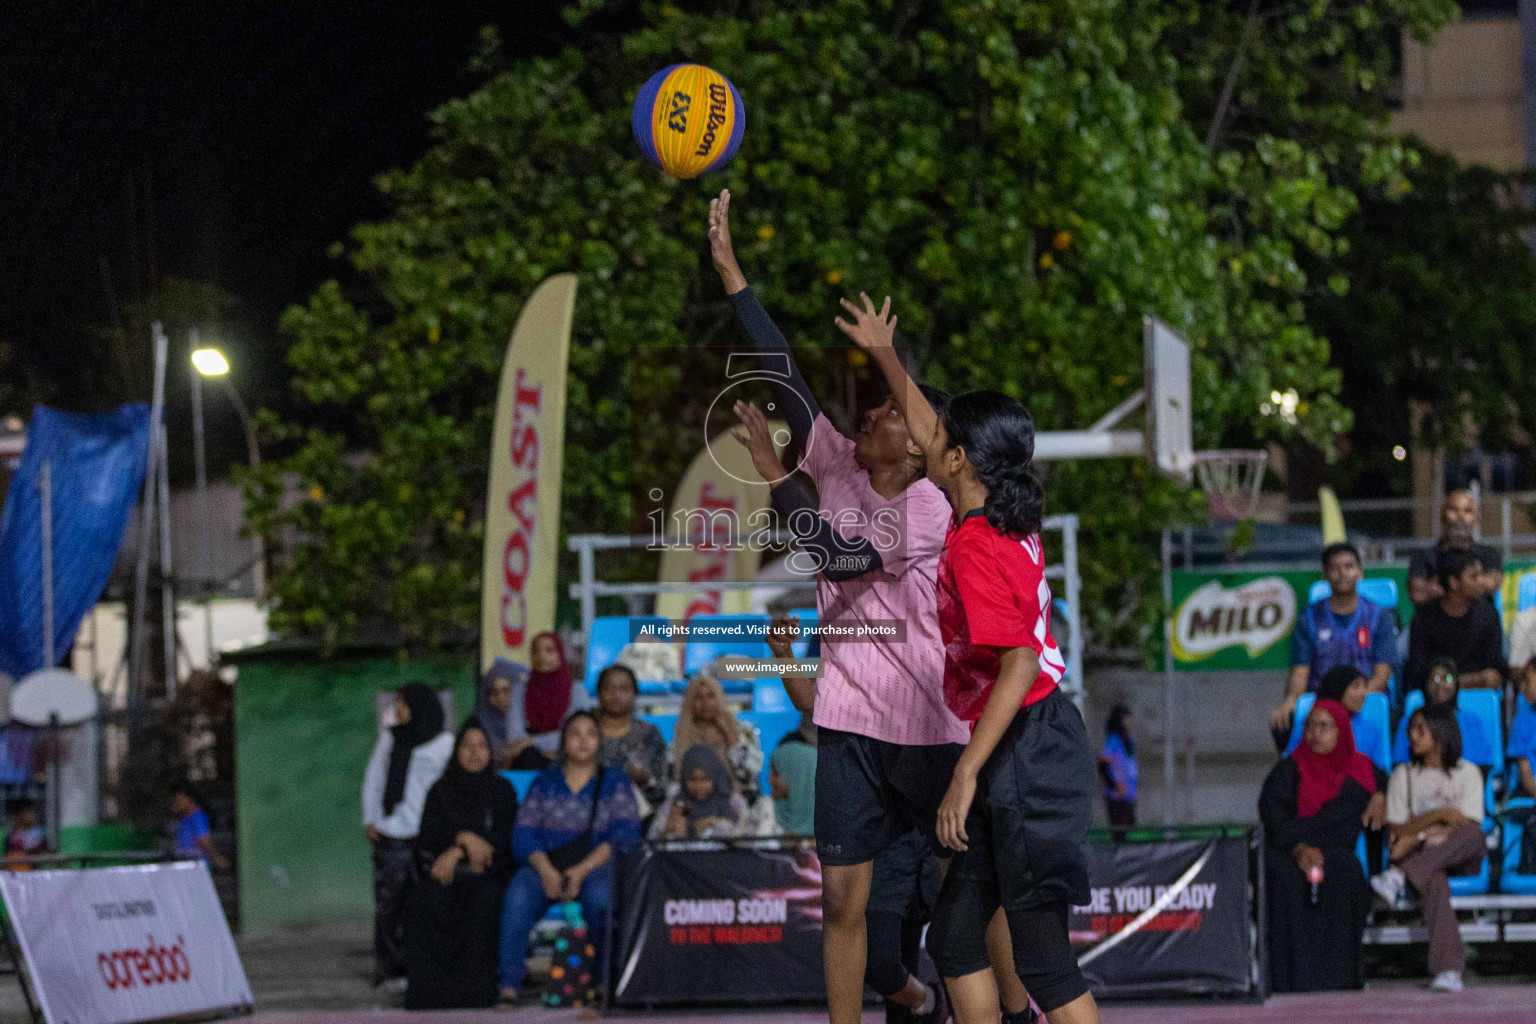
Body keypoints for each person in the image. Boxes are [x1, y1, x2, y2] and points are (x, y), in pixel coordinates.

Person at [712, 191, 981, 1024]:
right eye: (871, 410)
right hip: (851, 724)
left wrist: (775, 474)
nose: (869, 416)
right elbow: (782, 367)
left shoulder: (932, 508)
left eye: (889, 413)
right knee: (843, 907)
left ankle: (1009, 1009)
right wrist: (731, 275)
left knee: (975, 896)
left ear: (919, 439)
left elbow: (836, 555)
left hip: (931, 724)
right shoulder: (836, 461)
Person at [842, 294, 1097, 1024]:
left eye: (937, 436)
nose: (920, 439)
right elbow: (931, 428)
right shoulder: (988, 513)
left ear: (957, 459)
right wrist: (885, 354)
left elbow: (1017, 662)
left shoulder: (979, 544)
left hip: (1027, 748)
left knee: (1045, 961)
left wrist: (964, 772)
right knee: (956, 940)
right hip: (1023, 741)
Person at [498, 711, 641, 1003]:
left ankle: (603, 981)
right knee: (517, 897)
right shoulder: (545, 782)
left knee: (601, 901)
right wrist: (547, 870)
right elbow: (524, 833)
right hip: (545, 865)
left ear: (599, 742)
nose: (583, 740)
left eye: (591, 733)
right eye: (575, 733)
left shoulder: (615, 781)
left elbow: (624, 835)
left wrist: (579, 872)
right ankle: (509, 985)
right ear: (564, 741)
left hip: (596, 866)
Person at [1258, 700, 1381, 992]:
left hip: (1336, 851)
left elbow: (1386, 783)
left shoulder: (1360, 768)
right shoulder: (1288, 770)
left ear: (1341, 732)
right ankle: (1290, 979)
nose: (1314, 733)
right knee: (1281, 876)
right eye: (1310, 725)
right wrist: (1300, 848)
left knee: (1346, 872)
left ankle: (1340, 978)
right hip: (1291, 849)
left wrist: (1382, 796)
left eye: (1324, 726)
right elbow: (1272, 815)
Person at [1371, 704, 1486, 993]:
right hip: (1423, 855)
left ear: (1441, 732)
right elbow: (1397, 830)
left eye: (1420, 729)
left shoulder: (1468, 773)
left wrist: (1420, 832)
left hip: (1457, 855)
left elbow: (1468, 823)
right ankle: (1448, 970)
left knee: (1473, 835)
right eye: (1411, 729)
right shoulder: (1404, 774)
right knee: (1434, 880)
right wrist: (1435, 822)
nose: (1412, 735)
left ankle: (1399, 877)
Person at [403, 721, 517, 1009]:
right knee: (421, 900)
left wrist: (460, 848)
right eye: (467, 745)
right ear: (456, 751)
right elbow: (428, 839)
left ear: (491, 752)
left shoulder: (502, 790)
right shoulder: (440, 791)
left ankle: (474, 993)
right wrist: (462, 842)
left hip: (489, 874)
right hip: (445, 875)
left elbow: (504, 841)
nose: (474, 753)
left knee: (486, 900)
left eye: (482, 746)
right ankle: (429, 994)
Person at [361, 682, 454, 990]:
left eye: (402, 703)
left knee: (427, 904)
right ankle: (391, 969)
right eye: (396, 703)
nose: (397, 710)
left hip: (429, 836)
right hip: (393, 832)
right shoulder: (391, 738)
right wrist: (370, 817)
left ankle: (425, 966)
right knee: (390, 905)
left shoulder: (444, 743)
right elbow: (374, 777)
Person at [1270, 543, 1396, 743]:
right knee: (1283, 722)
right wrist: (1291, 699)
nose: (1342, 573)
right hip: (1321, 704)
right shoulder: (1308, 619)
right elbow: (1300, 673)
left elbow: (1381, 677)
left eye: (1349, 566)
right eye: (1335, 568)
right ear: (1325, 576)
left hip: (1365, 700)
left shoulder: (1379, 617)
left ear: (1360, 573)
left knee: (1394, 720)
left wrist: (1352, 699)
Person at [1403, 548, 1505, 693]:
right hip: (1435, 698)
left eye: (1481, 574)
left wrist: (1448, 682)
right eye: (1474, 576)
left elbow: (1495, 674)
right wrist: (1472, 680)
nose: (1481, 581)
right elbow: (1419, 674)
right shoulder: (1423, 618)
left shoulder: (1488, 615)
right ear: (1453, 583)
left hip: (1478, 694)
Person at [498, 632, 596, 771]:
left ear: (560, 655)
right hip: (528, 758)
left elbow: (577, 733)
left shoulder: (576, 691)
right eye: (536, 651)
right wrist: (544, 749)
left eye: (549, 650)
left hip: (567, 758)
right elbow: (514, 737)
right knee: (529, 757)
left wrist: (533, 742)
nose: (542, 656)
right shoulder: (520, 691)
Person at [672, 672, 766, 807]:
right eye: (698, 697)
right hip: (693, 805)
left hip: (735, 803)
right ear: (690, 702)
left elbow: (748, 774)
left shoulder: (740, 730)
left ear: (719, 698)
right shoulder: (681, 734)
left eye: (711, 696)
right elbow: (676, 778)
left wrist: (729, 735)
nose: (705, 703)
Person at [1407, 488, 1503, 606]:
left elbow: (1493, 583)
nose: (1460, 516)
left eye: (1467, 511)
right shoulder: (1423, 555)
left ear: (1476, 519)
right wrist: (1471, 582)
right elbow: (1417, 593)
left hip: (1479, 621)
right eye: (1454, 509)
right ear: (1442, 515)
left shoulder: (1489, 554)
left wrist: (1443, 586)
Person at [593, 664, 668, 811]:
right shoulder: (583, 730)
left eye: (624, 689)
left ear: (635, 694)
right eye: (609, 688)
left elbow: (661, 791)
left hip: (637, 817)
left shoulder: (649, 735)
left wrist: (645, 781)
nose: (616, 695)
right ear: (599, 692)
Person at [1390, 658, 1490, 765]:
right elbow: (1399, 765)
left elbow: (1483, 765)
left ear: (1456, 684)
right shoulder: (1410, 722)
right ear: (1425, 684)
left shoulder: (1471, 721)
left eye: (1448, 678)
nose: (1441, 684)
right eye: (1435, 678)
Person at [654, 745, 750, 838]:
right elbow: (652, 841)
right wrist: (667, 832)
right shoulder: (674, 804)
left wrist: (715, 824)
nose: (698, 786)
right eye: (692, 779)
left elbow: (747, 838)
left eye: (705, 779)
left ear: (716, 776)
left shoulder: (734, 802)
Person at [171, 782, 230, 870]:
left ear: (189, 799)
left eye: (179, 800)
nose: (177, 803)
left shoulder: (197, 817)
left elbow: (204, 841)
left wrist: (216, 857)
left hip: (197, 866)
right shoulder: (183, 817)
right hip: (185, 865)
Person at [1099, 705, 1138, 830]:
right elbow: (1103, 767)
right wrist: (1115, 785)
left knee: (1130, 827)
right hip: (1116, 795)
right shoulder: (1113, 740)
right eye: (1125, 718)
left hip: (1129, 794)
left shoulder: (1127, 740)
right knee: (1120, 829)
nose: (1127, 722)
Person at [770, 737, 818, 836]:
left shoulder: (830, 827)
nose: (769, 779)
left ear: (796, 776)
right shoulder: (765, 816)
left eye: (775, 773)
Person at [1509, 662, 1536, 799]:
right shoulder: (1521, 722)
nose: (1523, 687)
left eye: (1528, 680)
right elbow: (1525, 775)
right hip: (1528, 795)